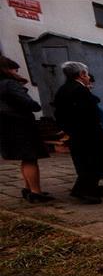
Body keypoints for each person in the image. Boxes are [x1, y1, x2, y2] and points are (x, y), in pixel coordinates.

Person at [54, 61, 103, 204]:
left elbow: (58, 113)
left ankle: (79, 189)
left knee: (83, 162)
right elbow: (89, 112)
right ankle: (89, 192)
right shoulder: (80, 90)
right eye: (87, 74)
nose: (89, 77)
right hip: (88, 133)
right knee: (92, 162)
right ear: (82, 74)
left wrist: (67, 130)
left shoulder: (62, 89)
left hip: (75, 133)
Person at [0, 56, 53, 202]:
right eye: (16, 69)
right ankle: (36, 192)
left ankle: (29, 188)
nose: (18, 72)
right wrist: (35, 104)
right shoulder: (10, 84)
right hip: (20, 125)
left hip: (7, 125)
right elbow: (28, 103)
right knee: (30, 158)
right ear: (8, 70)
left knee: (25, 158)